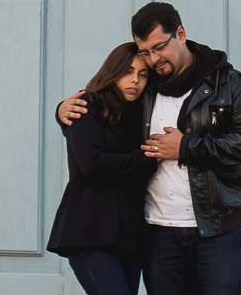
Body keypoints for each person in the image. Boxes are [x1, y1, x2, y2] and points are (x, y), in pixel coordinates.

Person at [59, 2, 241, 295]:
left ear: (180, 34)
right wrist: (63, 112)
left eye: (158, 47)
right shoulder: (146, 84)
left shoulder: (228, 84)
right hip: (156, 233)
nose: (153, 59)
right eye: (145, 52)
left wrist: (186, 147)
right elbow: (104, 115)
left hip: (217, 228)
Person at [47, 42, 158, 295]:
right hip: (90, 228)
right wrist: (145, 160)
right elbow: (92, 164)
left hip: (130, 230)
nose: (135, 80)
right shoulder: (86, 105)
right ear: (113, 71)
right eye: (128, 71)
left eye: (143, 74)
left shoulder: (147, 113)